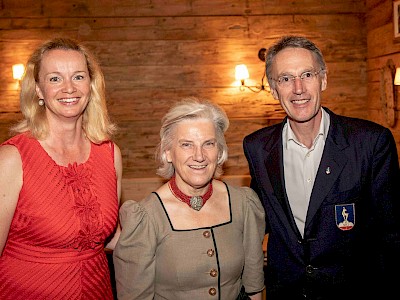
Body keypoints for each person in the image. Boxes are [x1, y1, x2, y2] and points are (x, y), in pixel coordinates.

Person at [243, 35, 400, 300]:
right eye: (285, 79)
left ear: (323, 79)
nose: (298, 88)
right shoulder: (257, 148)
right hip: (287, 293)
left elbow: (392, 234)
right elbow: (259, 218)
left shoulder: (371, 142)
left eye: (307, 74)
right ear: (273, 88)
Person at [0, 37, 122, 299]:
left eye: (78, 77)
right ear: (39, 90)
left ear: (91, 85)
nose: (69, 88)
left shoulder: (109, 153)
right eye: (55, 78)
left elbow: (110, 237)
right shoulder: (12, 158)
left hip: (98, 291)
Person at [113, 97, 265, 300]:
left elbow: (254, 288)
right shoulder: (146, 218)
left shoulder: (243, 204)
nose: (199, 156)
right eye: (186, 145)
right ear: (168, 152)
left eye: (208, 144)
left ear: (219, 151)